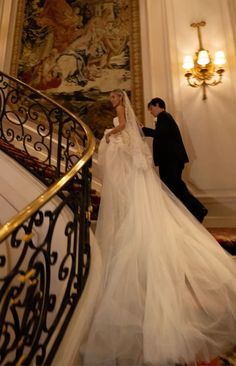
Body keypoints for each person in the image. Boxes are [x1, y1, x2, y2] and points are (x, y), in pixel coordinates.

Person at [79, 89, 236, 366]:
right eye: (113, 98)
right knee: (165, 199)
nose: (113, 101)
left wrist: (109, 135)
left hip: (155, 164)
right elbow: (135, 137)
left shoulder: (126, 115)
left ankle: (197, 211)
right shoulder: (140, 118)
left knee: (172, 193)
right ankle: (196, 212)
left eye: (115, 97)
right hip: (137, 168)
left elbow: (126, 130)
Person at [142, 97, 208, 223]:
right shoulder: (165, 117)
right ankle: (197, 210)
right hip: (172, 160)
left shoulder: (163, 117)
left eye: (151, 109)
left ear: (157, 105)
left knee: (172, 188)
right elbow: (162, 135)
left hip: (170, 161)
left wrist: (143, 129)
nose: (150, 112)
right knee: (177, 187)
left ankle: (192, 212)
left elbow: (160, 134)